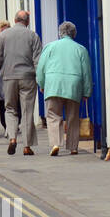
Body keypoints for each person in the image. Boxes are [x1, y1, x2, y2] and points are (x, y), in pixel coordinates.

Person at [37, 20, 93, 157]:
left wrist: (42, 84)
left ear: (60, 33)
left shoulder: (50, 47)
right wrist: (87, 91)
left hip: (53, 83)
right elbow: (86, 72)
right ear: (74, 34)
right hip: (73, 85)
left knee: (53, 115)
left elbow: (41, 68)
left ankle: (56, 143)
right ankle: (73, 147)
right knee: (72, 117)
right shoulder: (81, 49)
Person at [0, 10, 41, 157]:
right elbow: (38, 59)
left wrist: (4, 68)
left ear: (14, 20)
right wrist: (39, 78)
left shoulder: (4, 35)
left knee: (10, 109)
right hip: (28, 77)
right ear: (27, 22)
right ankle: (26, 146)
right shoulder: (33, 35)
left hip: (9, 77)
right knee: (27, 111)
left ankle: (12, 138)